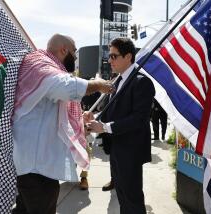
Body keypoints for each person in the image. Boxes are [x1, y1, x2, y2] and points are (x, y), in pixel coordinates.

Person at [11, 34, 114, 214]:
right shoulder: (41, 65)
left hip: (35, 165)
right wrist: (97, 84)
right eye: (74, 52)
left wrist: (80, 120)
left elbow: (49, 111)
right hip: (37, 168)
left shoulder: (45, 66)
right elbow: (65, 87)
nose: (75, 57)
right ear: (64, 50)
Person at [85, 37, 155, 214]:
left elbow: (139, 119)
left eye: (114, 56)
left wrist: (105, 127)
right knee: (123, 197)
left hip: (131, 150)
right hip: (116, 148)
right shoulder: (117, 81)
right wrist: (95, 116)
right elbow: (111, 112)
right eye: (110, 56)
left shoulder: (142, 82)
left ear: (128, 56)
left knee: (132, 199)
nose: (110, 61)